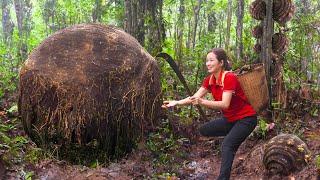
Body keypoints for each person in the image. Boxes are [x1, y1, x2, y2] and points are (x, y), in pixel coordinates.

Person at [162, 48, 257, 180]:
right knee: (203, 130)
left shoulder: (229, 78)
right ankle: (233, 136)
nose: (208, 63)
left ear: (221, 63)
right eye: (207, 61)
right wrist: (175, 103)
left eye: (211, 60)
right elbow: (194, 98)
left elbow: (225, 104)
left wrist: (202, 102)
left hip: (247, 119)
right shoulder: (209, 80)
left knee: (227, 145)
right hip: (230, 120)